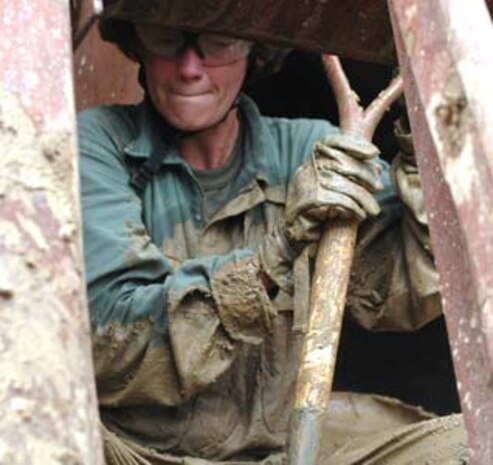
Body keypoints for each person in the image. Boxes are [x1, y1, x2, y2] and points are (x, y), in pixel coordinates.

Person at [77, 2, 468, 464]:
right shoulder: (97, 145)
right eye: (166, 39)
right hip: (137, 455)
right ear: (136, 42)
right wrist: (278, 253)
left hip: (281, 456)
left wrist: (424, 133)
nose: (189, 68)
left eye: (218, 42)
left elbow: (401, 287)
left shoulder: (310, 151)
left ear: (255, 52)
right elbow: (111, 348)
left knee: (468, 441)